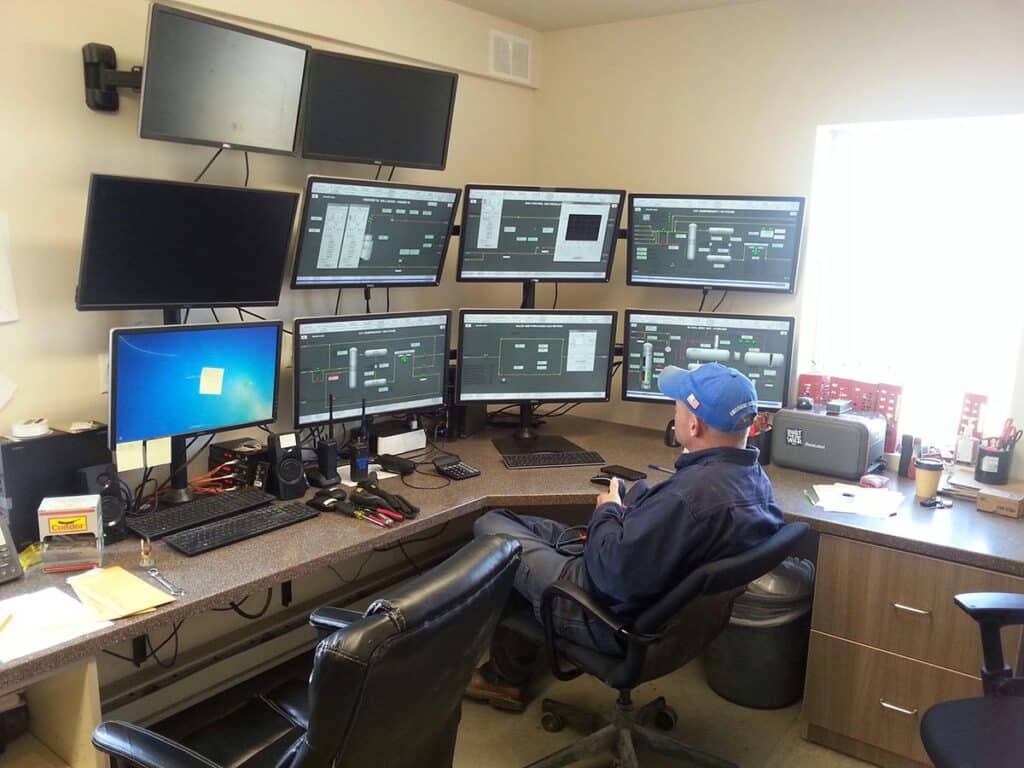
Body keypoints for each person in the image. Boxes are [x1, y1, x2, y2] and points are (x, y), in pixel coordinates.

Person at [466, 362, 785, 711]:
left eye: (677, 405)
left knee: (493, 528)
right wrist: (639, 504)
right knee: (523, 526)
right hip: (666, 615)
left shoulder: (689, 498)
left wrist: (608, 508)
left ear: (694, 424)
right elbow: (672, 535)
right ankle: (506, 673)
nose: (674, 412)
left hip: (604, 613)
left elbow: (610, 572)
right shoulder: (754, 482)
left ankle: (503, 678)